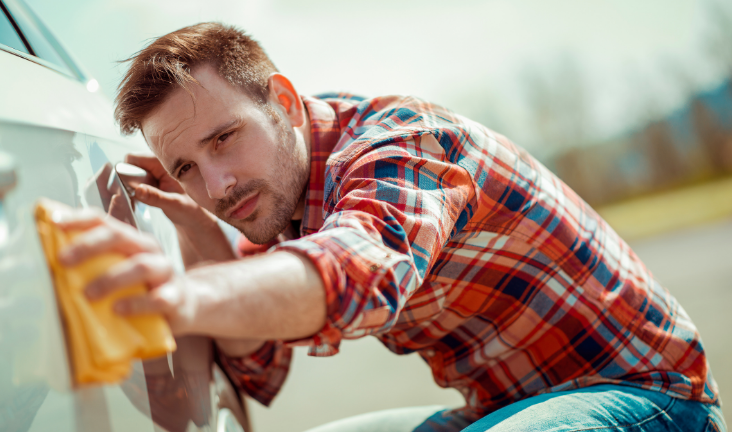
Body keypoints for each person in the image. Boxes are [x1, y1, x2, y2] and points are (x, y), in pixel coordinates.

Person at [53, 22, 724, 431]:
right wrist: (200, 231)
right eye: (187, 167)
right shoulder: (271, 200)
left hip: (648, 402)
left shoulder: (399, 141)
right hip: (499, 411)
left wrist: (179, 297)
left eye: (225, 138)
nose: (217, 184)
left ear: (282, 101)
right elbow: (258, 370)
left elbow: (363, 267)